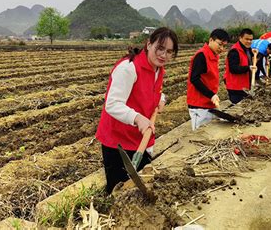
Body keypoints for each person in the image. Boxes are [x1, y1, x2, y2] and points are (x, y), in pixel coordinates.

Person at [95, 27, 179, 194]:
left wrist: (161, 98)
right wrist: (138, 118)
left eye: (169, 52)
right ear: (148, 44)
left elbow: (153, 90)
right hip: (118, 142)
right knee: (119, 192)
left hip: (140, 138)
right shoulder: (128, 68)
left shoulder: (158, 68)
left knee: (139, 188)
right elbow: (112, 103)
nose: (164, 55)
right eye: (160, 48)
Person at [187, 29, 230, 130]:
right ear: (211, 40)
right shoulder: (201, 55)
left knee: (209, 131)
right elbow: (194, 79)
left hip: (209, 102)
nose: (222, 48)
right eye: (219, 44)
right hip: (198, 104)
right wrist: (211, 95)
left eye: (224, 46)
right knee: (200, 134)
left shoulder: (214, 56)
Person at [224, 28, 255, 104]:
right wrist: (248, 68)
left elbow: (249, 59)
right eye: (246, 39)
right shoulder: (234, 51)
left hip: (244, 86)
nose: (249, 41)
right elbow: (233, 69)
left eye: (251, 40)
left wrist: (253, 53)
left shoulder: (247, 49)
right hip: (236, 87)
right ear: (240, 38)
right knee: (238, 109)